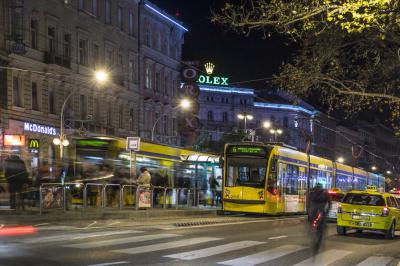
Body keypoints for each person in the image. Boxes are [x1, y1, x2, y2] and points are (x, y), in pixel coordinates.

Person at [307, 183, 331, 253]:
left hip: (313, 211)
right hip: (321, 211)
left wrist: (308, 210)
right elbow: (329, 203)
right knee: (321, 226)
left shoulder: (312, 193)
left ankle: (310, 231)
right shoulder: (325, 193)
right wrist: (327, 211)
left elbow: (308, 202)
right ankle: (318, 239)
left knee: (311, 222)